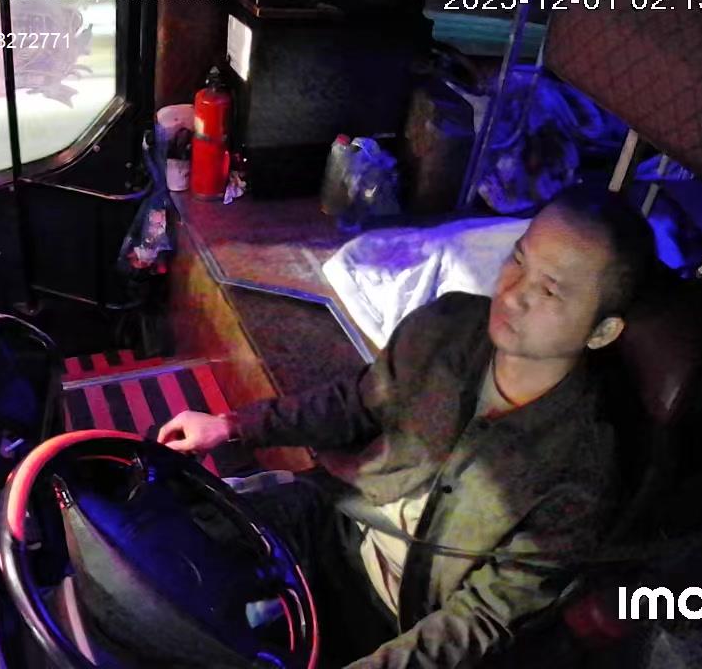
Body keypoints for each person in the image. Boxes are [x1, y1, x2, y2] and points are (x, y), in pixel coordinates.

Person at [158, 187, 657, 668]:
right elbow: (357, 402)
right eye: (519, 259)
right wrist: (232, 425)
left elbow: (480, 618)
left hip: (399, 618)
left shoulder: (582, 470)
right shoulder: (449, 325)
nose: (513, 294)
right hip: (336, 517)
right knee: (170, 548)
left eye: (548, 289)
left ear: (602, 331)